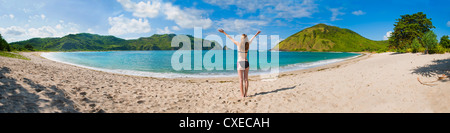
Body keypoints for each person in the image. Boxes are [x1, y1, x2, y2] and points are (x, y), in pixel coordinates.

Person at [218, 29, 261, 98]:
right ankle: (246, 94)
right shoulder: (248, 44)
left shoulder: (238, 44)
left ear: (241, 39)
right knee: (246, 79)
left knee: (241, 80)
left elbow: (230, 38)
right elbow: (252, 39)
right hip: (246, 62)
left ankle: (242, 95)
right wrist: (256, 34)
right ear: (246, 39)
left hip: (240, 62)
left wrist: (224, 32)